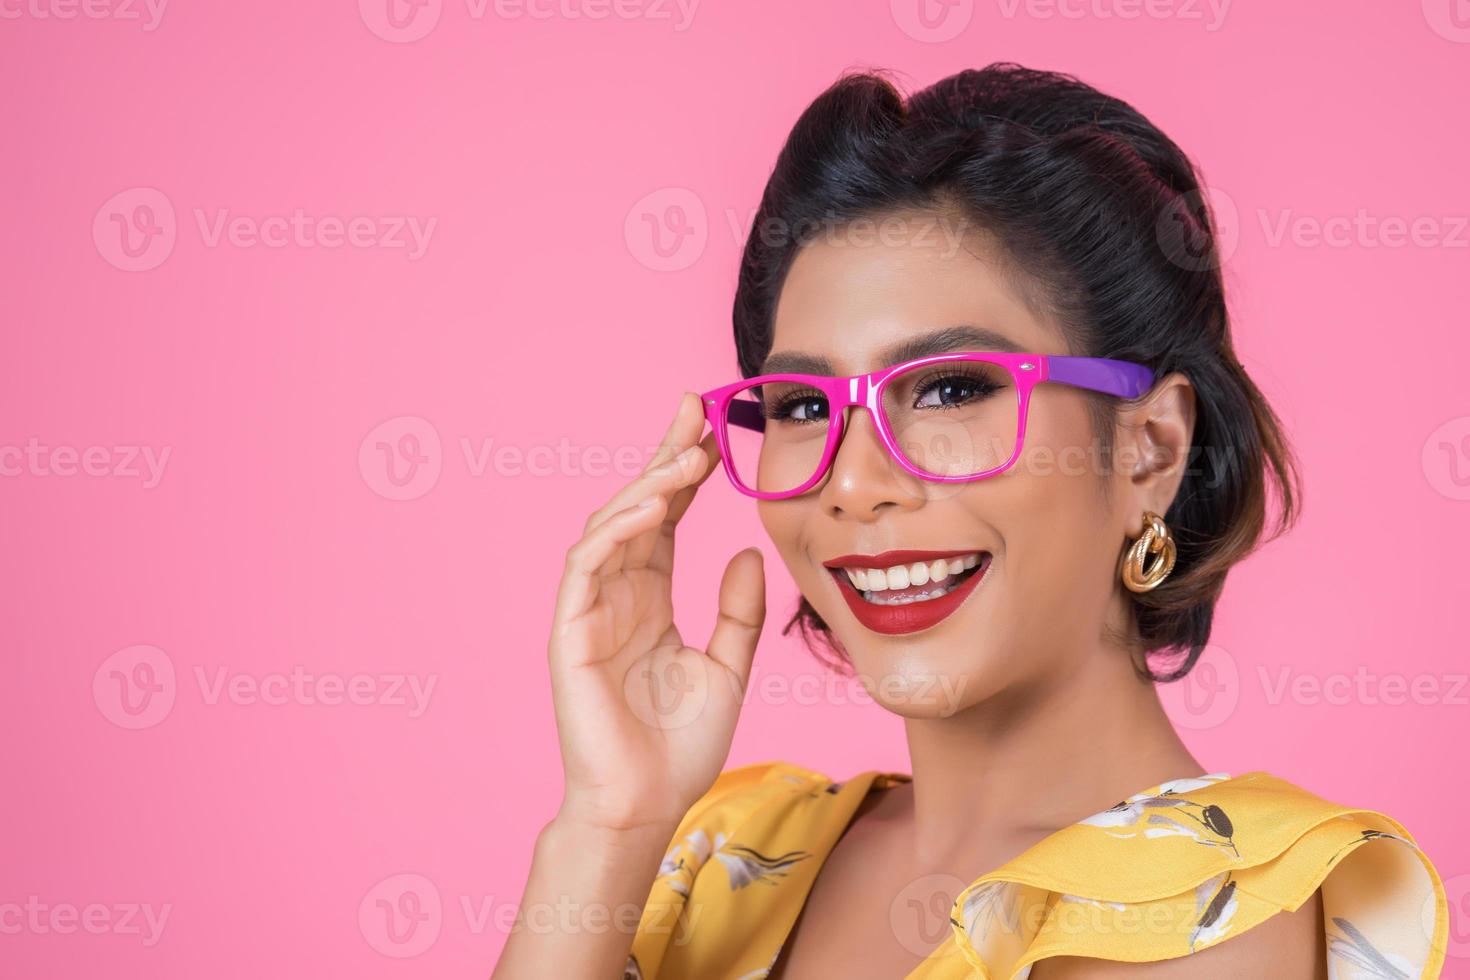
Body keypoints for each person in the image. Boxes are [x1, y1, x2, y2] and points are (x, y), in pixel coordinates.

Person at [493, 63, 1447, 979]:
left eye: (950, 389)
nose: (854, 483)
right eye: (803, 405)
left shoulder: (1215, 910)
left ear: (1149, 449)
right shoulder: (719, 851)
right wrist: (608, 826)